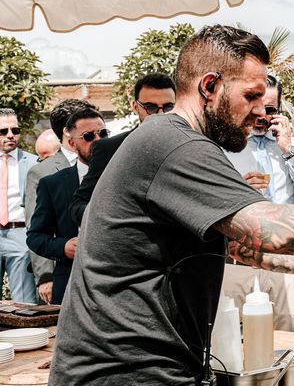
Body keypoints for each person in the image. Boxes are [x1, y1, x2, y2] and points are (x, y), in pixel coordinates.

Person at [45, 25, 294, 386]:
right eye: (250, 96)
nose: (262, 111)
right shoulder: (176, 145)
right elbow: (269, 229)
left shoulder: (176, 142)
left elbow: (233, 245)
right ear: (210, 85)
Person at [224, 75, 294, 330]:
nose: (261, 114)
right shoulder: (226, 145)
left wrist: (289, 151)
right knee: (234, 337)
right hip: (238, 260)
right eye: (256, 106)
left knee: (285, 335)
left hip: (285, 260)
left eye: (269, 109)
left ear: (280, 109)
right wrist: (239, 188)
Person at [69, 72, 176, 227]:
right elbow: (78, 205)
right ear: (135, 106)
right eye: (151, 108)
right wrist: (115, 220)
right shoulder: (109, 149)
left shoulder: (194, 145)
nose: (160, 114)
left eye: (168, 107)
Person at [27, 108, 108, 304]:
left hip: (118, 281)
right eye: (88, 136)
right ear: (72, 143)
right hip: (72, 282)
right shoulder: (52, 184)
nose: (98, 140)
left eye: (103, 134)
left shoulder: (126, 176)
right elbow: (36, 237)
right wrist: (63, 247)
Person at [0, 109, 38, 303]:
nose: (10, 135)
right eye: (3, 131)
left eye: (15, 130)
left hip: (20, 234)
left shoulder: (33, 163)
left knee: (24, 304)